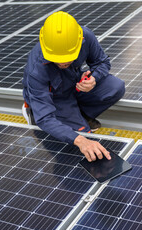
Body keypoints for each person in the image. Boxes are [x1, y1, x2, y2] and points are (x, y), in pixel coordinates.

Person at [22, 11, 125, 162]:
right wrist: (80, 140)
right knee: (82, 136)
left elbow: (102, 62)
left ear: (79, 41)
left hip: (74, 85)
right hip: (55, 100)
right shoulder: (36, 69)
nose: (63, 63)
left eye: (68, 58)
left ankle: (80, 114)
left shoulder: (85, 36)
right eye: (57, 59)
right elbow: (45, 118)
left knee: (115, 86)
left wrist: (94, 79)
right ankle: (32, 111)